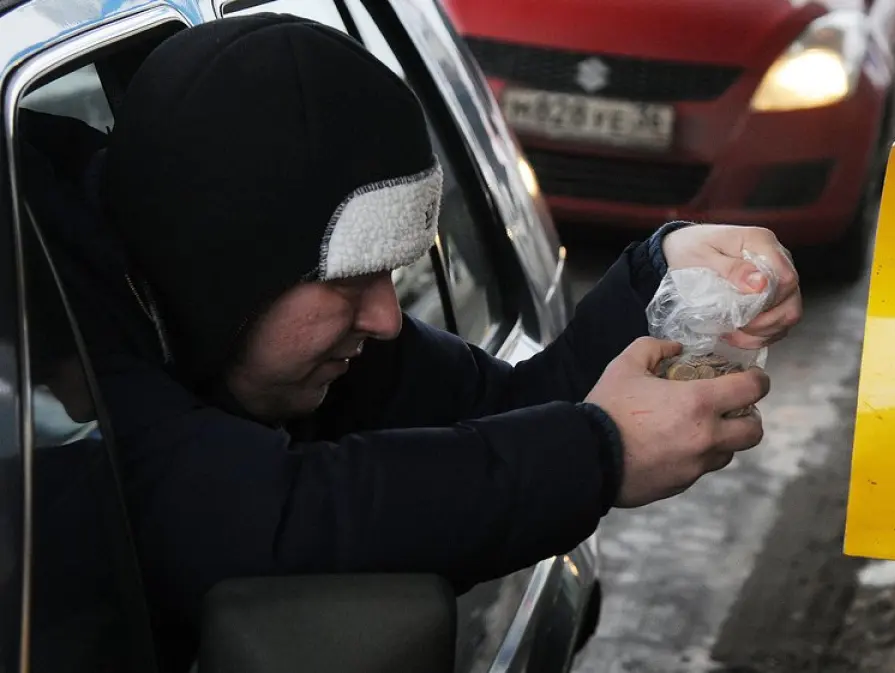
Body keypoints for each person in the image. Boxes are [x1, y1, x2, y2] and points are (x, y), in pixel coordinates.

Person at [30, 13, 802, 671]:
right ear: (225, 270)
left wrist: (656, 274)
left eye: (393, 275)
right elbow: (242, 517)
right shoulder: (45, 377)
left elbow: (512, 407)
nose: (387, 319)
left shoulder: (268, 336)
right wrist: (597, 451)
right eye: (348, 279)